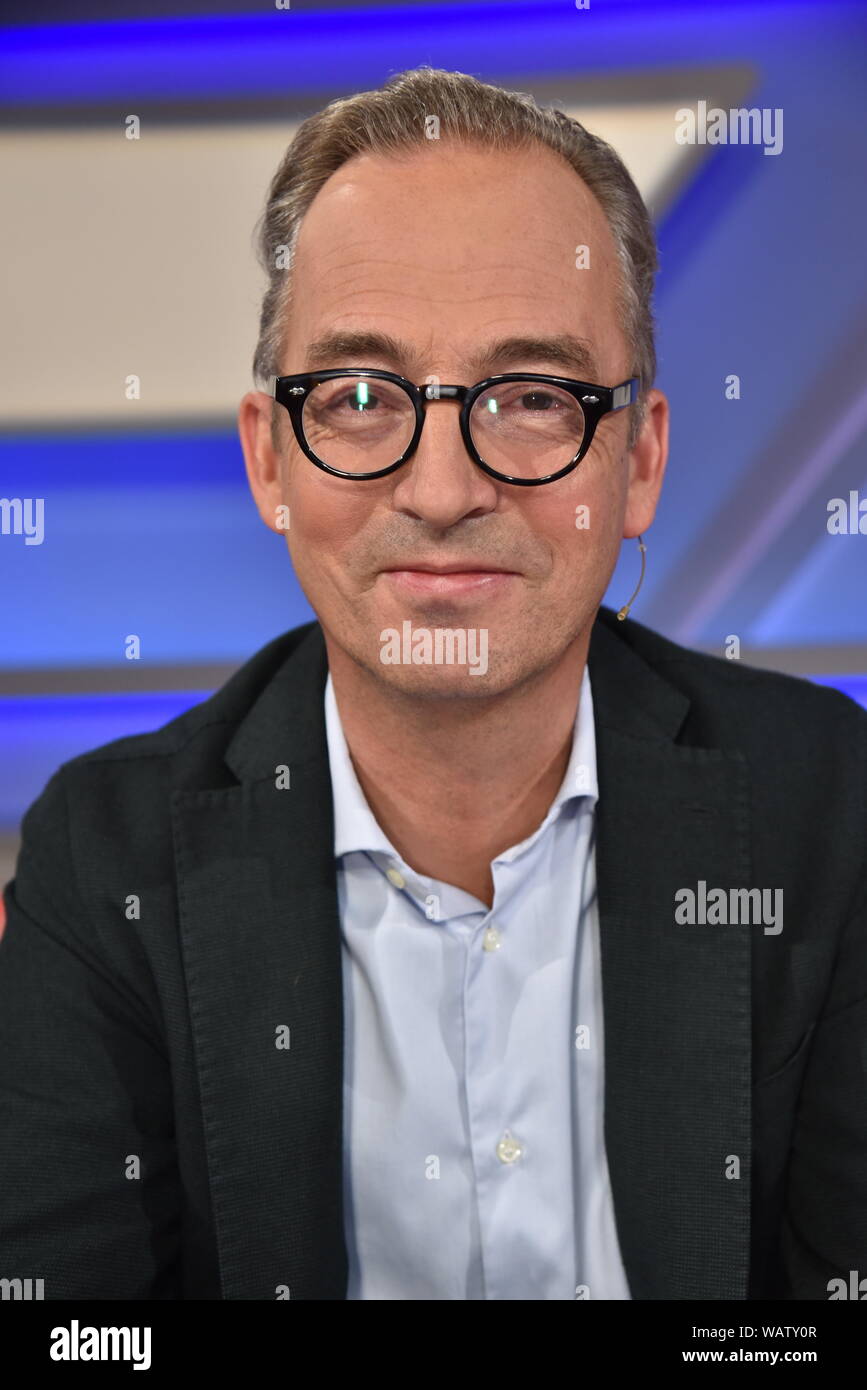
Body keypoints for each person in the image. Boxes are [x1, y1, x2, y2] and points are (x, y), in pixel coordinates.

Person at [1, 66, 865, 1301]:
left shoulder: (833, 810)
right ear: (269, 461)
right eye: (358, 396)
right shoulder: (105, 858)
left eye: (531, 398)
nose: (445, 490)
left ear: (640, 464)